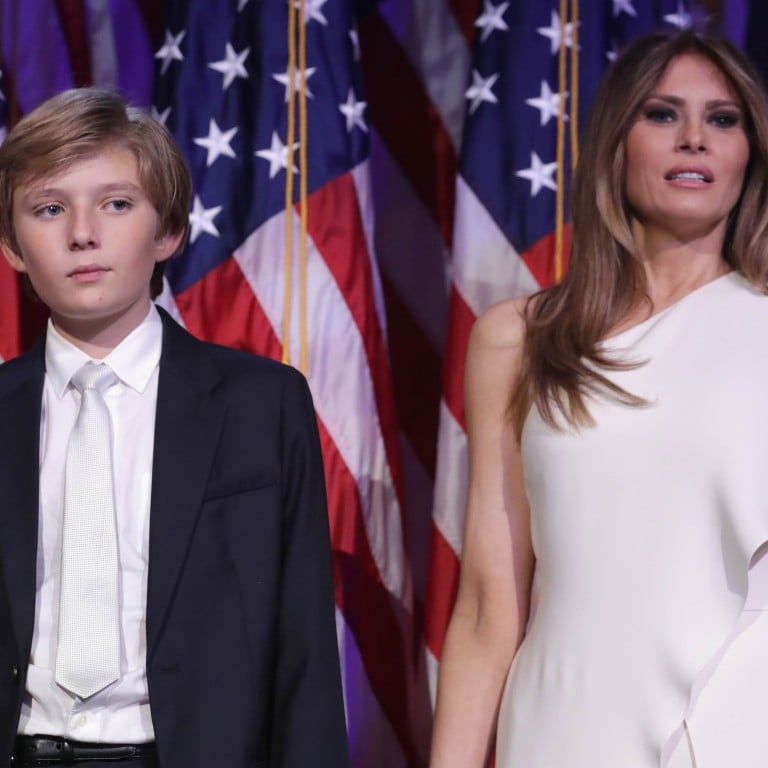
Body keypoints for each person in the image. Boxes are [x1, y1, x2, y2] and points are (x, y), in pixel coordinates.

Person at [430, 29, 768, 768]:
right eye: (661, 114)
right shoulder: (518, 340)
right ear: (616, 141)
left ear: (751, 153)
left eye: (723, 119)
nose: (693, 140)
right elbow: (489, 604)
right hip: (563, 727)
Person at [0, 88, 349, 768]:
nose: (82, 233)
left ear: (168, 231)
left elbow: (302, 644)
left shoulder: (261, 405)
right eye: (49, 209)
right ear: (12, 245)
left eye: (117, 204)